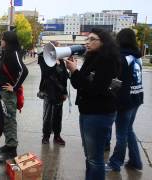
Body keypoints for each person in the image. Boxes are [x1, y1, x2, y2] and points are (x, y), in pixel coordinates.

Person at [65, 28, 120, 180]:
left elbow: (96, 89)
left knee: (95, 159)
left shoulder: (108, 60)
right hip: (88, 111)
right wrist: (73, 71)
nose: (87, 43)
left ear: (103, 42)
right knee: (90, 156)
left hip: (99, 113)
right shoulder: (91, 57)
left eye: (92, 39)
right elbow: (78, 85)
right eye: (87, 39)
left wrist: (76, 71)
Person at [106, 28, 144, 172]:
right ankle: (136, 161)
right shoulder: (137, 56)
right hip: (137, 98)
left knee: (122, 133)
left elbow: (115, 81)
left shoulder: (123, 57)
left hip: (125, 101)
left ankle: (116, 163)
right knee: (129, 130)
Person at [0, 31, 29, 161]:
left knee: (9, 120)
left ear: (7, 41)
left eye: (2, 39)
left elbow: (24, 70)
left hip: (7, 94)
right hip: (0, 92)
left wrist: (15, 87)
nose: (0, 41)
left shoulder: (14, 53)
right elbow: (0, 71)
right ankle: (9, 145)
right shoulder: (5, 53)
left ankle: (11, 148)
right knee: (5, 120)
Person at [37, 41, 69, 145]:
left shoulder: (61, 61)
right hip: (48, 91)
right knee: (48, 115)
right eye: (56, 49)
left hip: (59, 92)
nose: (58, 51)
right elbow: (46, 74)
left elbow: (64, 77)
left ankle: (57, 136)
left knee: (58, 116)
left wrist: (65, 92)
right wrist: (53, 61)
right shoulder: (45, 59)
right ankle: (45, 136)